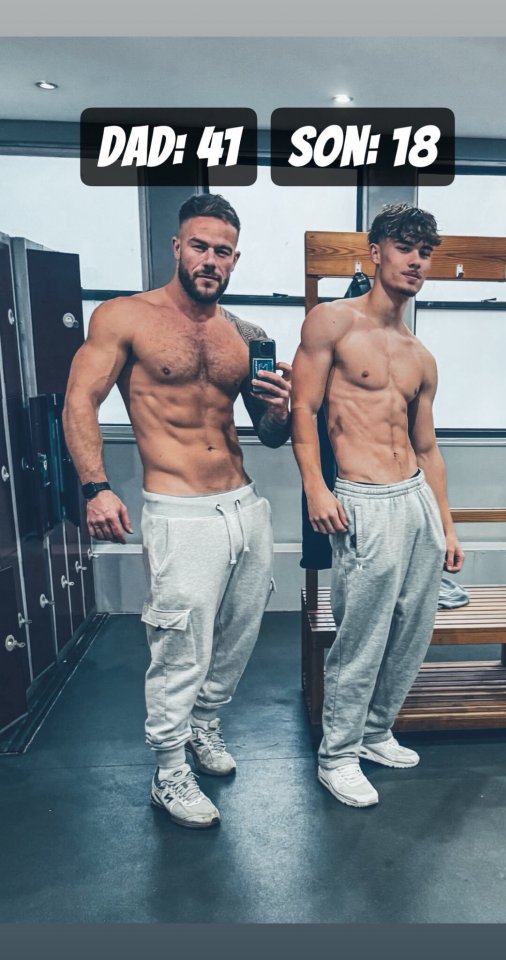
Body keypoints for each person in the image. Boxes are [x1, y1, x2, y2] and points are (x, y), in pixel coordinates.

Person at [63, 193, 291, 829]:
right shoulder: (125, 317)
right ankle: (168, 771)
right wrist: (95, 487)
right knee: (177, 647)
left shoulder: (245, 336)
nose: (210, 259)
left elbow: (270, 435)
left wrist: (277, 409)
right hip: (178, 509)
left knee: (241, 635)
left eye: (223, 251)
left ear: (235, 259)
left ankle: (205, 727)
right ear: (176, 247)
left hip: (243, 505)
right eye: (200, 245)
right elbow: (79, 399)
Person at [291, 202, 464, 808]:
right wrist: (316, 485)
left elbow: (429, 446)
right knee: (361, 635)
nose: (416, 261)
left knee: (413, 630)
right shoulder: (331, 323)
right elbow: (303, 412)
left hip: (415, 497)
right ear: (375, 253)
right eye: (405, 247)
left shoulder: (419, 354)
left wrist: (446, 524)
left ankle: (374, 733)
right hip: (363, 496)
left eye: (425, 251)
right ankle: (336, 756)